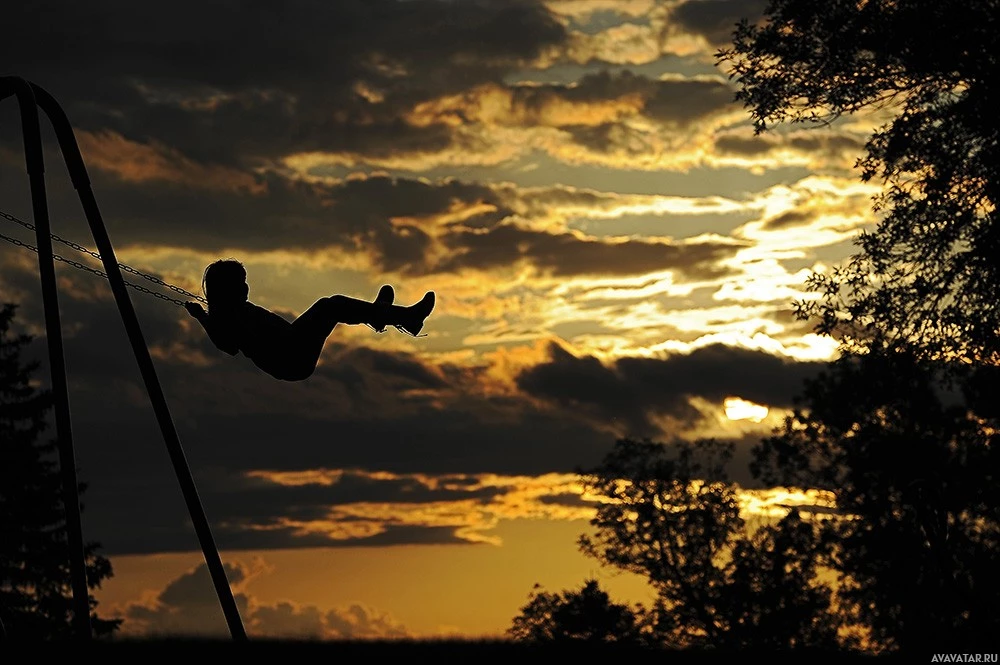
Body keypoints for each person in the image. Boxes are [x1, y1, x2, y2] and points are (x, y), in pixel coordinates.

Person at [185, 259, 435, 381]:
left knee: (332, 306)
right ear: (225, 289)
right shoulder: (228, 315)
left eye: (244, 280)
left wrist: (203, 317)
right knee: (331, 305)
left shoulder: (235, 310)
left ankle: (380, 315)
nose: (246, 287)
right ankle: (402, 317)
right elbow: (227, 345)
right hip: (287, 356)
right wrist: (201, 318)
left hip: (291, 346)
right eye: (239, 283)